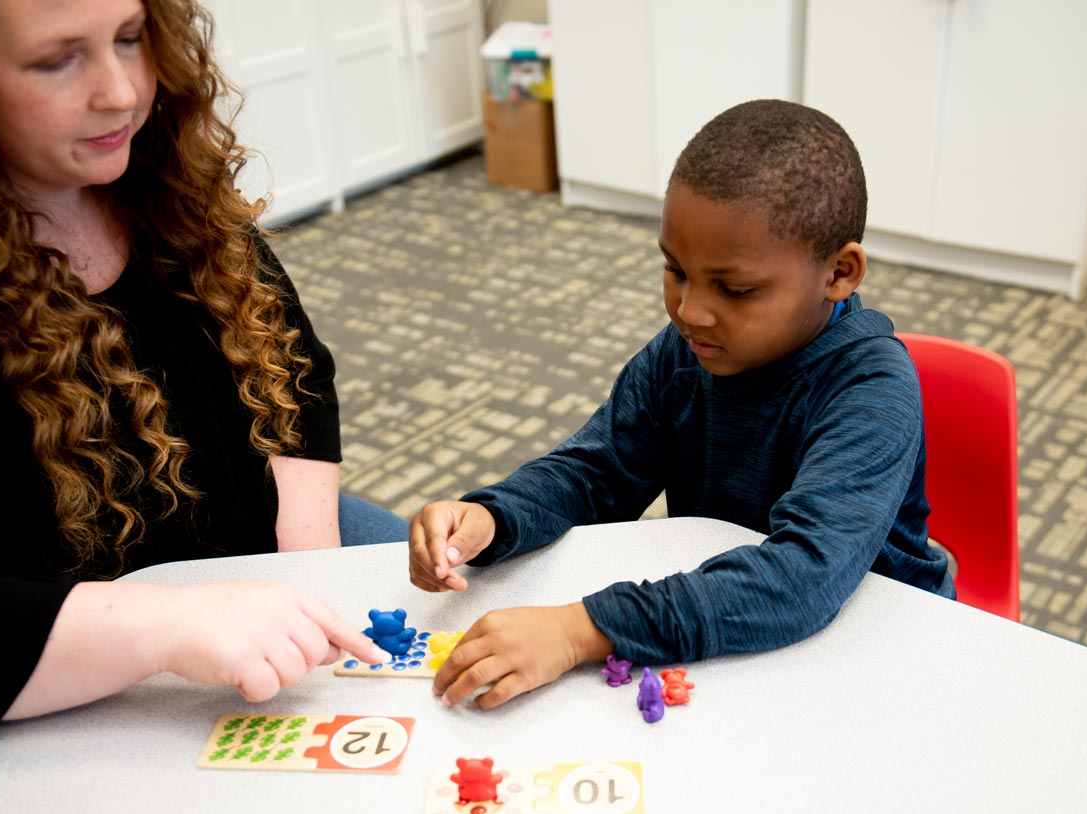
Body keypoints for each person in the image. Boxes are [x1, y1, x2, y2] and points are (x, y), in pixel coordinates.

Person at [0, 0, 407, 739]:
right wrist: (164, 624)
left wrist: (307, 566)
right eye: (57, 60)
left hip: (250, 554)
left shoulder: (160, 166)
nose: (121, 92)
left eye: (130, 38)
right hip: (66, 653)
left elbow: (294, 365)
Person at [408, 99, 955, 710]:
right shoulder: (687, 351)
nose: (690, 311)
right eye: (675, 270)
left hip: (879, 649)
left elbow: (803, 576)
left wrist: (579, 630)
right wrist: (495, 517)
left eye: (735, 288)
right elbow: (599, 471)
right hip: (729, 626)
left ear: (839, 273)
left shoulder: (872, 388)